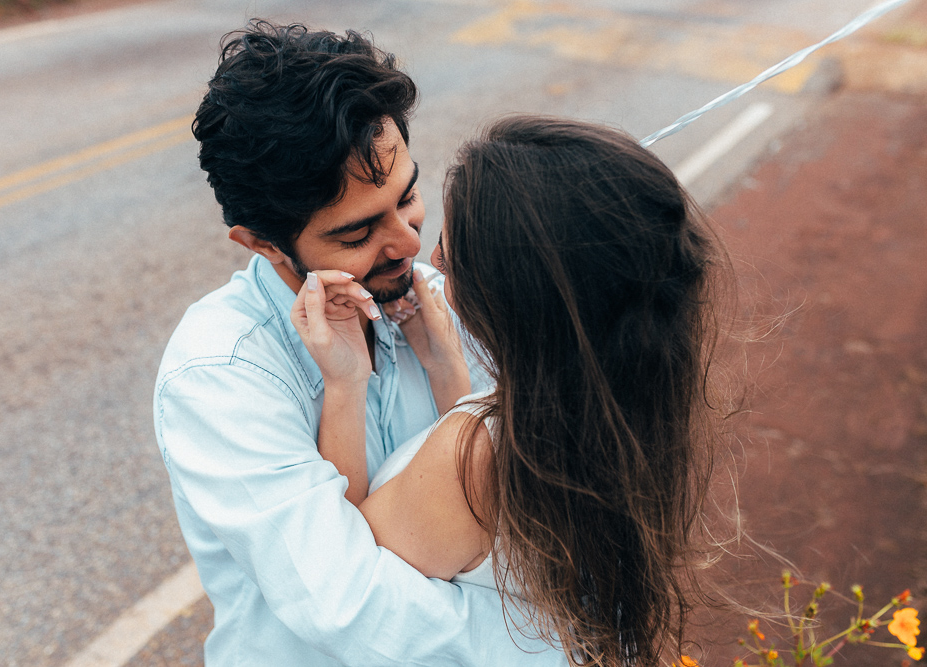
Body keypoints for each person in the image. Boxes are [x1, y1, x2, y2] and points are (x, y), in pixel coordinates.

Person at [153, 20, 567, 667]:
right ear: (263, 243)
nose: (408, 243)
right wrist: (559, 646)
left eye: (407, 197)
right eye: (358, 233)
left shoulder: (441, 297)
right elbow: (349, 605)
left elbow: (518, 523)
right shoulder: (220, 372)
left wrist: (449, 374)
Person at [292, 116, 725, 667]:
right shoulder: (622, 402)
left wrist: (345, 382)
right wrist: (449, 370)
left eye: (459, 250)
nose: (432, 257)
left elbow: (348, 572)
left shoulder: (474, 455)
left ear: (516, 296)